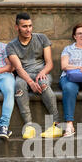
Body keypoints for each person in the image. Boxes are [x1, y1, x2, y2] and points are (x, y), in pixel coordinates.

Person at [7, 12, 62, 140]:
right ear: (17, 27)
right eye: (24, 26)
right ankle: (29, 126)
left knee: (43, 84)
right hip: (24, 74)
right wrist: (30, 83)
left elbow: (49, 63)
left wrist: (42, 73)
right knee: (19, 84)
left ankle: (56, 125)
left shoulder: (42, 38)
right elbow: (19, 68)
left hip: (41, 72)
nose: (28, 29)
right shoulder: (11, 46)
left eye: (30, 26)